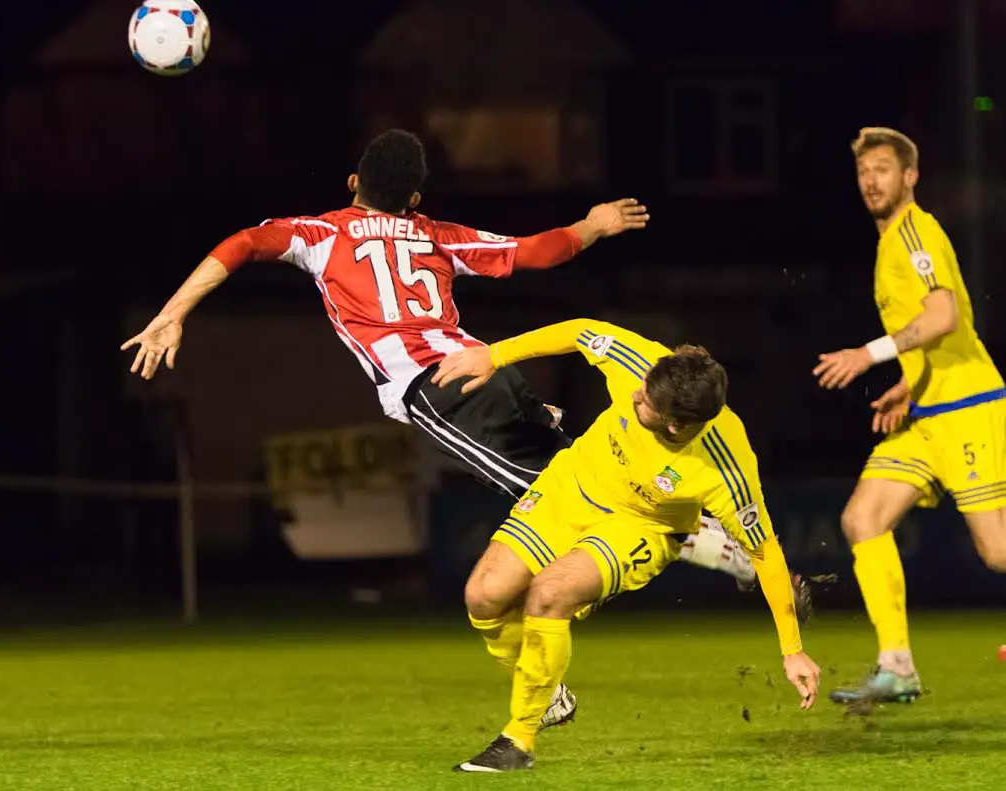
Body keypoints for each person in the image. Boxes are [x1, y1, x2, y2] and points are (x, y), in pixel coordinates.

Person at [121, 128, 785, 725]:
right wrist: (590, 225)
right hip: (485, 368)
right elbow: (534, 253)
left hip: (436, 388)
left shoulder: (318, 235)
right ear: (412, 195)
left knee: (568, 493)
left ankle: (704, 543)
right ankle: (685, 547)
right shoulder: (436, 235)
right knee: (572, 473)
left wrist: (173, 312)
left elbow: (240, 244)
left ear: (353, 183)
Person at [433, 320, 820, 772]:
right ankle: (549, 696)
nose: (635, 396)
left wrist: (792, 649)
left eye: (648, 403)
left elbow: (765, 552)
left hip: (642, 526)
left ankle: (518, 739)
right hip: (570, 488)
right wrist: (494, 355)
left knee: (549, 594)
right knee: (484, 595)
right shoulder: (641, 365)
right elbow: (580, 331)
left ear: (677, 425)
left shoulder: (725, 468)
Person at [813, 127, 1006, 707]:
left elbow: (943, 316)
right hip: (926, 412)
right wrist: (905, 385)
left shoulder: (915, 232)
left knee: (997, 552)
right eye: (864, 171)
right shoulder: (891, 240)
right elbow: (936, 333)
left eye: (883, 169)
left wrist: (868, 355)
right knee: (862, 519)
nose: (871, 180)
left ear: (910, 176)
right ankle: (897, 667)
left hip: (968, 409)